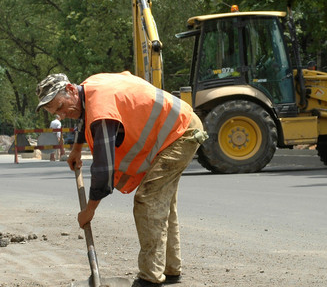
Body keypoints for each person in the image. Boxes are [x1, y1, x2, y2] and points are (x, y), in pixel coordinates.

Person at [36, 71, 207, 287]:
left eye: (60, 107)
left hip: (181, 132)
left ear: (70, 90)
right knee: (163, 202)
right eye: (55, 112)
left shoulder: (101, 109)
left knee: (148, 200)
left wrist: (89, 210)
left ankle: (150, 278)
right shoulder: (90, 87)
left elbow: (103, 170)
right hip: (178, 126)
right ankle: (170, 269)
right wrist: (77, 148)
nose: (61, 115)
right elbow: (83, 115)